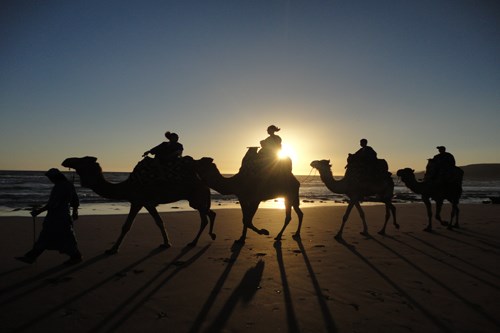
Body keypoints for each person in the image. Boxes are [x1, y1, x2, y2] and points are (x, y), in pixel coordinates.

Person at [15, 168, 82, 265]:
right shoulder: (68, 185)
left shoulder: (60, 187)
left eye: (50, 178)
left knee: (50, 236)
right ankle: (31, 256)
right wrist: (75, 212)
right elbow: (75, 200)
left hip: (57, 217)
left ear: (55, 177)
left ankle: (76, 257)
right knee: (63, 237)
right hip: (64, 216)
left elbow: (53, 204)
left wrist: (39, 211)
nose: (50, 180)